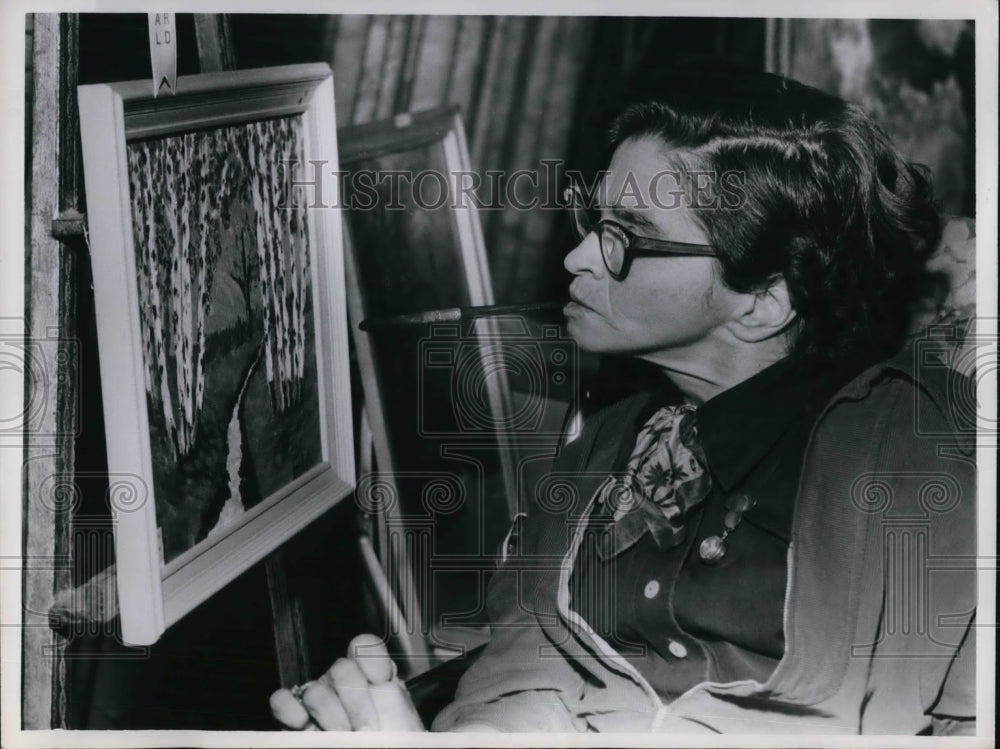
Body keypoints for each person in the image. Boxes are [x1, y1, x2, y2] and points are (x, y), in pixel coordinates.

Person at [270, 68, 976, 735]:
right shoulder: (598, 448)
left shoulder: (913, 464)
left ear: (762, 302)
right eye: (594, 218)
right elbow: (522, 676)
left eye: (625, 237)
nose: (579, 257)